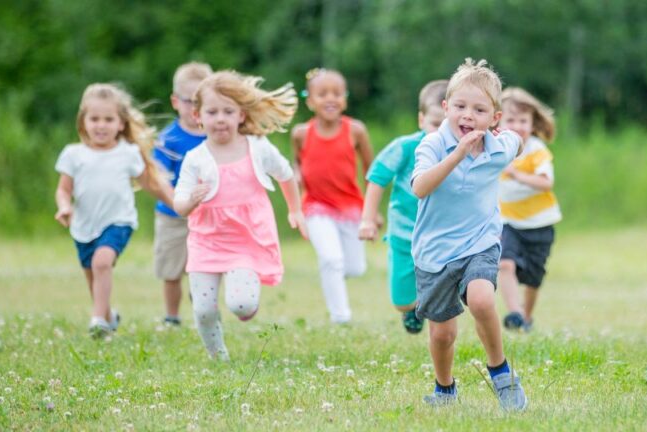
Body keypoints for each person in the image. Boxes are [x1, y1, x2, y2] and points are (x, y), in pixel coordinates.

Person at [411, 58, 527, 410]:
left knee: (480, 299)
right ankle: (444, 389)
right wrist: (457, 154)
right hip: (434, 252)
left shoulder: (497, 146)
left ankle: (501, 372)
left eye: (479, 109)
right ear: (445, 108)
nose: (467, 115)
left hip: (480, 243)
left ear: (493, 118)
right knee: (442, 334)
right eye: (459, 106)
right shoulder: (431, 145)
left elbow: (517, 142)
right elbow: (419, 187)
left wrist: (512, 140)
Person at [173, 70, 308, 360]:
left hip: (247, 238)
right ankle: (218, 356)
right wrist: (191, 203)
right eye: (212, 112)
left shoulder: (257, 147)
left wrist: (295, 210)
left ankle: (248, 304)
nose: (220, 118)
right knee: (203, 309)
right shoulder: (195, 158)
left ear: (241, 116)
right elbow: (179, 203)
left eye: (228, 111)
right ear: (198, 116)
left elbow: (286, 175)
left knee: (242, 305)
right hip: (206, 239)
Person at [55, 83, 173, 338]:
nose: (101, 125)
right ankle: (108, 316)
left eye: (108, 119)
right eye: (94, 118)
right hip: (83, 227)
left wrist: (177, 204)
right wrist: (64, 207)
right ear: (83, 121)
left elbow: (151, 183)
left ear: (121, 123)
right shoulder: (73, 155)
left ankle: (97, 320)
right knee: (95, 278)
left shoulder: (127, 153)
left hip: (119, 222)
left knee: (102, 263)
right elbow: (64, 190)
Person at [358, 80, 447, 334]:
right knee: (401, 301)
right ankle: (413, 308)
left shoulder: (460, 152)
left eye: (447, 124)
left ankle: (436, 308)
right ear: (421, 120)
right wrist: (368, 218)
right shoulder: (406, 147)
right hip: (404, 234)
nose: (440, 132)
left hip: (441, 235)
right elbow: (377, 177)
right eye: (434, 124)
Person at [290, 68, 376, 324]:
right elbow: (297, 162)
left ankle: (333, 273)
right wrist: (296, 175)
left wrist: (372, 212)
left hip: (351, 207)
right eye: (322, 94)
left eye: (337, 93)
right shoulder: (301, 133)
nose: (330, 98)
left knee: (354, 268)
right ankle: (341, 318)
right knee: (331, 259)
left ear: (345, 99)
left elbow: (372, 172)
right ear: (310, 101)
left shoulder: (356, 130)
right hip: (316, 207)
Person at [497, 87, 561, 333]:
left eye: (523, 120)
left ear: (533, 123)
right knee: (505, 264)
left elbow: (546, 182)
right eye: (510, 120)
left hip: (540, 224)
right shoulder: (497, 148)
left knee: (534, 278)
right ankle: (514, 313)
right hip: (508, 221)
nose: (517, 126)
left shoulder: (537, 150)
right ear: (498, 121)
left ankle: (527, 316)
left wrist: (516, 174)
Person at [153, 62, 213, 327]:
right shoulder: (169, 140)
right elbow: (159, 179)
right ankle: (172, 317)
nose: (196, 109)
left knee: (204, 271)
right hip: (173, 216)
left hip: (209, 216)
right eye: (190, 102)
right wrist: (179, 204)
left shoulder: (216, 135)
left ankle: (205, 314)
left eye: (202, 101)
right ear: (176, 102)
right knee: (172, 270)